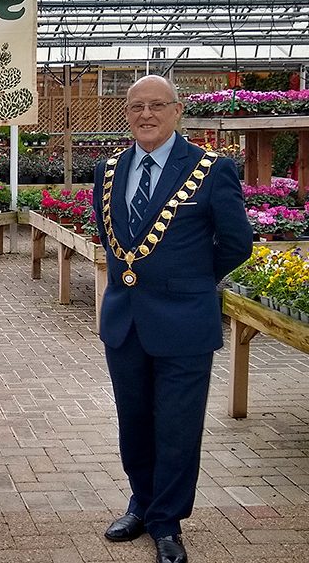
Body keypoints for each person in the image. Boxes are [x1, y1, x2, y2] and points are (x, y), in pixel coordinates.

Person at [92, 75, 253, 563]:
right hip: (125, 321)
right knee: (134, 421)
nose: (146, 114)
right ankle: (141, 503)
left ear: (178, 110)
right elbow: (109, 234)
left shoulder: (211, 169)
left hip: (185, 322)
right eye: (136, 106)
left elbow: (237, 242)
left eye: (157, 105)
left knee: (178, 426)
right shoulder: (109, 167)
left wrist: (190, 281)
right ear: (126, 112)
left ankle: (167, 522)